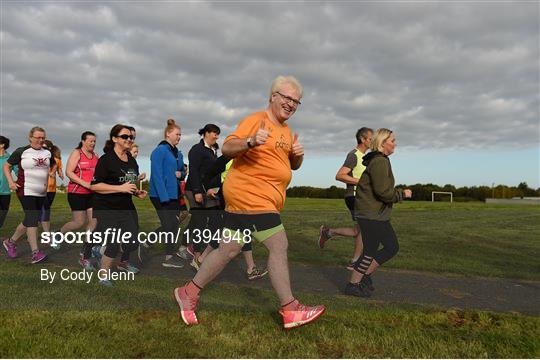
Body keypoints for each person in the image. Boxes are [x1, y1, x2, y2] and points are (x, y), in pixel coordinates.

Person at [173, 75, 325, 329]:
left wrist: (297, 157)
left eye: (297, 101)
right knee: (279, 244)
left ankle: (188, 292)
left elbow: (289, 166)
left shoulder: (286, 132)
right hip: (251, 195)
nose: (291, 104)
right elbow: (228, 147)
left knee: (228, 250)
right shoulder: (257, 120)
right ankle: (290, 308)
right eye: (287, 98)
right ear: (273, 96)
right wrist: (251, 141)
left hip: (260, 198)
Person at [344, 128, 412, 297]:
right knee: (382, 249)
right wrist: (402, 194)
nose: (395, 144)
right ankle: (356, 282)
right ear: (383, 143)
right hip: (371, 214)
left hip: (373, 214)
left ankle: (361, 279)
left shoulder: (378, 160)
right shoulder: (380, 162)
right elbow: (383, 192)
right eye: (393, 140)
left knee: (382, 248)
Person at [91, 124, 147, 286]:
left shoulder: (131, 161)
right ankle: (103, 276)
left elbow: (129, 184)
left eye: (131, 137)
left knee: (132, 241)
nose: (129, 139)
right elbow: (94, 186)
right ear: (115, 139)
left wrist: (137, 192)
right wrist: (119, 188)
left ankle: (100, 250)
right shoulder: (106, 160)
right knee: (114, 242)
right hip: (106, 207)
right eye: (125, 137)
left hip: (125, 206)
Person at [318, 127, 373, 270]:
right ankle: (355, 262)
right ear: (363, 139)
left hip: (362, 197)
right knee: (365, 230)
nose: (373, 141)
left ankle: (328, 232)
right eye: (371, 139)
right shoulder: (353, 155)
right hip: (354, 196)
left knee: (359, 230)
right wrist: (362, 182)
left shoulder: (366, 157)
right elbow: (340, 175)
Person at [3, 126, 54, 263]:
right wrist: (10, 182)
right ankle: (35, 252)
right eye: (37, 137)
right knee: (32, 219)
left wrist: (51, 173)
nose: (40, 140)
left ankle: (11, 242)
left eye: (43, 137)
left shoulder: (48, 152)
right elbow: (6, 166)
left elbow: (53, 165)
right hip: (25, 190)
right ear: (30, 137)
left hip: (41, 192)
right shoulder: (22, 151)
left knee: (31, 218)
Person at [183, 124, 222, 269]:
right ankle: (197, 256)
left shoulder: (213, 150)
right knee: (199, 222)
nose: (217, 136)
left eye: (218, 134)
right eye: (214, 133)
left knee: (216, 221)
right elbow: (193, 171)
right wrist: (197, 191)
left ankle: (191, 247)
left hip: (209, 191)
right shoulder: (197, 149)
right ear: (206, 133)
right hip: (195, 190)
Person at [149, 119, 186, 268]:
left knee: (174, 225)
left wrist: (181, 174)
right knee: (169, 224)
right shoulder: (159, 151)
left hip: (174, 194)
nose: (179, 137)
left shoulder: (176, 153)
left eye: (180, 135)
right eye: (177, 134)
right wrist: (164, 198)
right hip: (160, 195)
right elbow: (157, 175)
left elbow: (182, 173)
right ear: (168, 134)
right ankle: (150, 246)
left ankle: (167, 255)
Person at [59, 131, 98, 269]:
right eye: (90, 141)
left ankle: (84, 253)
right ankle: (59, 235)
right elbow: (69, 172)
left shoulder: (95, 156)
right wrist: (84, 183)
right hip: (77, 192)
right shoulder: (77, 153)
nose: (93, 143)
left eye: (94, 141)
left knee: (93, 223)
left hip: (92, 194)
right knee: (79, 222)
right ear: (83, 141)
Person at [40, 140, 64, 237]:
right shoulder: (40, 159)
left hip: (52, 189)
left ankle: (33, 231)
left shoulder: (56, 160)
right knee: (45, 210)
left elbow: (59, 169)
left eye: (45, 147)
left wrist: (61, 174)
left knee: (45, 210)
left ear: (50, 149)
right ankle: (47, 234)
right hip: (42, 189)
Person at [0, 136, 16, 233]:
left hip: (6, 192)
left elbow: (18, 172)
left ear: (2, 145)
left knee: (2, 217)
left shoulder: (11, 158)